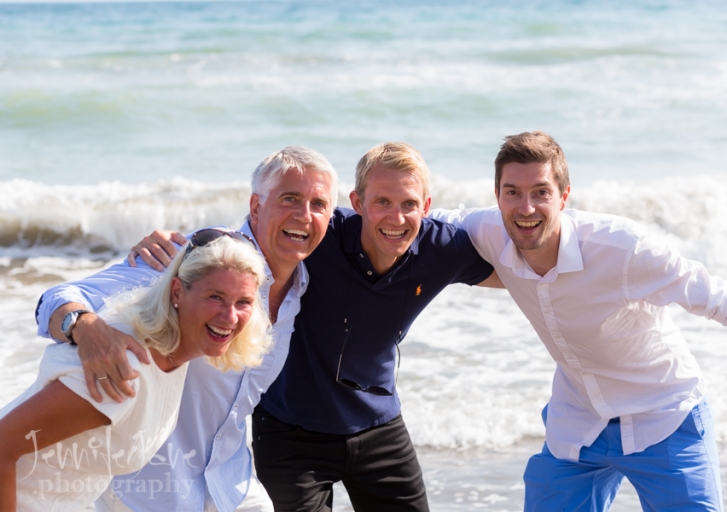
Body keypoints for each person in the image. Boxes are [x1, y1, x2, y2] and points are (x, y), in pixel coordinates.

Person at [132, 142, 498, 511]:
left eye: (408, 204)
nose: (396, 218)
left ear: (426, 207)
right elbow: (245, 240)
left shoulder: (441, 248)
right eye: (382, 202)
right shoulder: (317, 236)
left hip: (378, 425)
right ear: (357, 202)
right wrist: (176, 243)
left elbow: (521, 270)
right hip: (289, 430)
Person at [431, 131, 727, 511]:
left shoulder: (625, 249)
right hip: (579, 425)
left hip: (664, 418)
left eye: (541, 192)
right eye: (513, 192)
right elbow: (412, 220)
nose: (526, 208)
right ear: (497, 197)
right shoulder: (487, 231)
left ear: (564, 196)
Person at [33, 146, 338, 511]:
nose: (304, 215)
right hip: (147, 490)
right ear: (256, 207)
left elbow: (388, 216)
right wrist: (86, 327)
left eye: (318, 204)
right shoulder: (198, 256)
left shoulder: (301, 285)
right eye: (290, 198)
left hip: (232, 484)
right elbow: (57, 297)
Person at [1, 232, 272, 512]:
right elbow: (3, 444)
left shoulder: (174, 354)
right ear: (177, 291)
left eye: (243, 302)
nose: (229, 317)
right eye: (215, 297)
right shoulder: (124, 366)